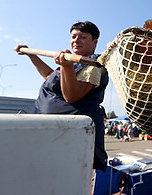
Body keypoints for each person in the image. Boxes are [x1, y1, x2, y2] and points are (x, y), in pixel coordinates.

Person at [14, 21, 109, 171]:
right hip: (49, 131)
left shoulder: (94, 66)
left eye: (83, 37)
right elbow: (50, 77)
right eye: (73, 36)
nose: (76, 41)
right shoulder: (69, 63)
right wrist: (31, 55)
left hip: (70, 135)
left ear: (94, 42)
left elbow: (72, 96)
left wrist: (66, 66)